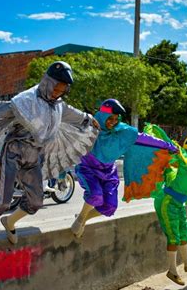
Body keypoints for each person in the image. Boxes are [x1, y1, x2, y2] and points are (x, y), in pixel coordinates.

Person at [0, 61, 100, 251]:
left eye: (62, 89)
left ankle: (9, 222)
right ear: (47, 82)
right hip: (14, 153)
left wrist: (89, 118)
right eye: (56, 87)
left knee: (36, 201)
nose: (58, 92)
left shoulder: (59, 106)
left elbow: (76, 115)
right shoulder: (24, 101)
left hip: (35, 157)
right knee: (3, 201)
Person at [70, 99, 177, 238]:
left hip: (108, 172)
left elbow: (145, 139)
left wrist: (167, 146)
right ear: (102, 115)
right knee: (95, 195)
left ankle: (83, 218)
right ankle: (80, 219)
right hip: (88, 168)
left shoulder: (123, 131)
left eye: (116, 119)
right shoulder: (87, 127)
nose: (113, 122)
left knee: (110, 207)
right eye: (110, 118)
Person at [152, 134, 187, 285]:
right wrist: (173, 149)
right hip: (167, 202)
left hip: (178, 204)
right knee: (174, 238)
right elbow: (172, 150)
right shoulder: (183, 160)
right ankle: (172, 271)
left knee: (184, 234)